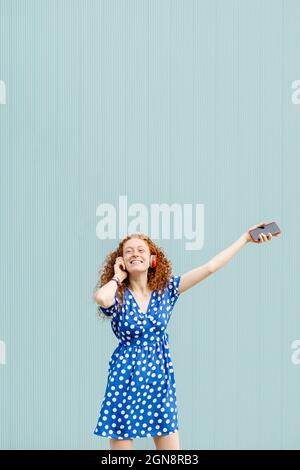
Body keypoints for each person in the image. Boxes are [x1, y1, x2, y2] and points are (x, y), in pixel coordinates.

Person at [93, 222, 280, 450]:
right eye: (128, 252)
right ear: (120, 260)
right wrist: (116, 277)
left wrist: (245, 239)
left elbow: (210, 267)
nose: (135, 254)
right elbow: (102, 299)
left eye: (141, 250)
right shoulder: (118, 294)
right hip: (124, 379)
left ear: (153, 258)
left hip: (158, 379)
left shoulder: (167, 290)